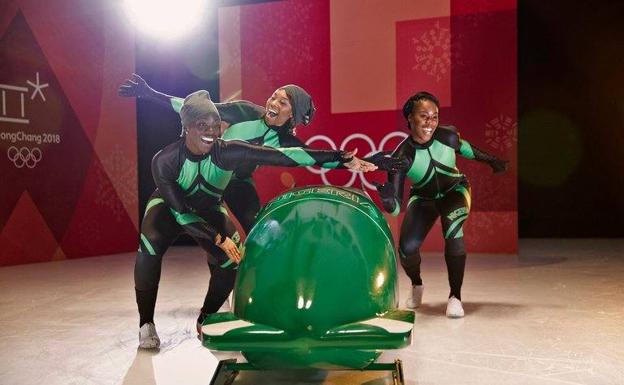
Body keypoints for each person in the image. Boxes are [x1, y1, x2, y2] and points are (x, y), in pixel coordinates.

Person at [135, 90, 378, 349]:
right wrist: (218, 238)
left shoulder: (228, 151)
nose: (211, 131)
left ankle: (207, 317)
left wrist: (340, 158)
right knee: (151, 243)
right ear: (186, 127)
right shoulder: (164, 160)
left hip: (214, 201)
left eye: (216, 126)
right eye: (202, 125)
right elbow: (181, 213)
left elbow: (288, 156)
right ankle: (146, 323)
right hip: (172, 207)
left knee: (233, 258)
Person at [119, 74, 400, 233]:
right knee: (188, 222)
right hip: (207, 172)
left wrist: (349, 161)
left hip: (238, 183)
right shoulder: (243, 111)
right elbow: (192, 108)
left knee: (258, 227)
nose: (274, 101)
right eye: (275, 95)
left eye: (284, 101)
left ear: (294, 115)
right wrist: (149, 93)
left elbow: (311, 157)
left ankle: (249, 282)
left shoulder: (285, 141)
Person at [374, 91, 508, 318]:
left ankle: (455, 297)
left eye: (434, 116)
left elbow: (468, 150)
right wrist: (388, 200)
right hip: (423, 199)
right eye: (423, 116)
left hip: (455, 191)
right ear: (410, 118)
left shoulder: (448, 136)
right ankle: (417, 285)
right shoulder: (401, 156)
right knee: (406, 249)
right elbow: (396, 208)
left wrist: (492, 161)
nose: (430, 122)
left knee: (453, 227)